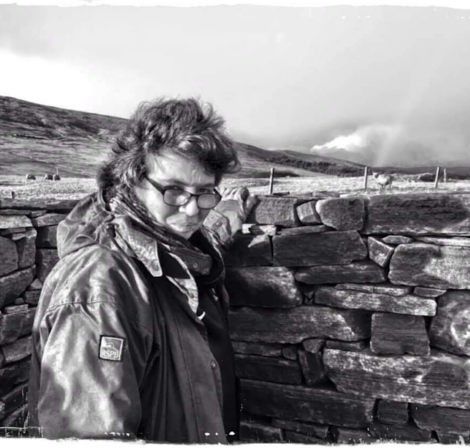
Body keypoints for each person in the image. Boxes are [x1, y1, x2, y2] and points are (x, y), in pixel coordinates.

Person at [28, 97, 256, 442]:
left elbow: (208, 231)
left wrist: (232, 208)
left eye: (205, 192)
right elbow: (88, 435)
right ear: (129, 182)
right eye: (174, 190)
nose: (193, 209)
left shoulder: (179, 246)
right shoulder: (100, 285)